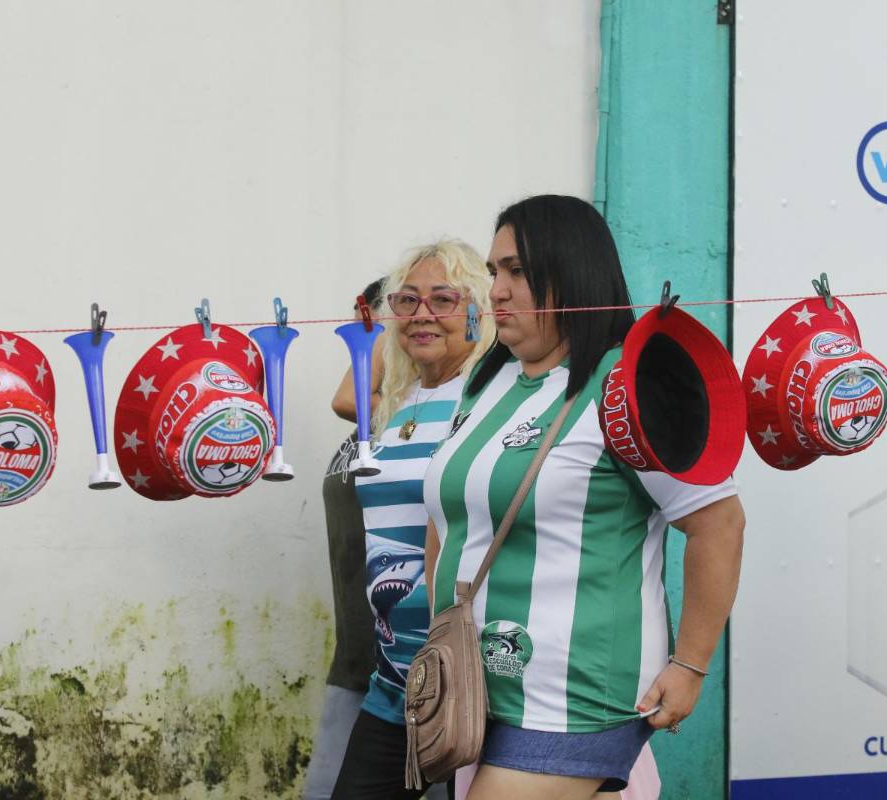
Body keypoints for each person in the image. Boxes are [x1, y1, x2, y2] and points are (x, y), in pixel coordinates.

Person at [423, 195, 746, 800]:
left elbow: (718, 523)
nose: (497, 290)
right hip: (476, 690)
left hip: (575, 696)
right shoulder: (488, 380)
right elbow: (447, 518)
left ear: (571, 273)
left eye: (517, 271)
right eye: (494, 271)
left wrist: (690, 665)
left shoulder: (627, 381)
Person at [331, 239, 495, 800]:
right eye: (407, 301)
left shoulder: (489, 402)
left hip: (476, 681)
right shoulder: (396, 405)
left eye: (443, 299)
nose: (422, 313)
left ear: (478, 311)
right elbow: (347, 395)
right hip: (397, 683)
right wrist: (393, 321)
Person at [304, 280, 388, 800]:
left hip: (413, 667)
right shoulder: (375, 426)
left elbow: (344, 398)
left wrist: (383, 326)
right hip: (356, 660)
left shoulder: (419, 416)